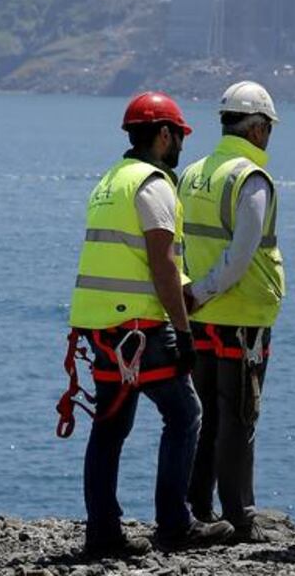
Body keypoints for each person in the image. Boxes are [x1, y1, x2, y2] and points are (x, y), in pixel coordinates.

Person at [68, 91, 235, 557]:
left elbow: (133, 258)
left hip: (101, 325)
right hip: (140, 328)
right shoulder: (153, 185)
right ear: (164, 135)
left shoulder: (111, 181)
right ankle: (175, 525)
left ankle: (102, 531)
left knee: (110, 425)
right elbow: (161, 264)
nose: (181, 144)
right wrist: (183, 333)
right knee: (185, 415)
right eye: (179, 135)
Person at [179, 81, 285, 543]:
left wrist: (191, 295)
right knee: (240, 416)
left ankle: (197, 505)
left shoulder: (192, 173)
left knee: (205, 417)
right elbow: (242, 256)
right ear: (258, 129)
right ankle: (240, 515)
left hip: (199, 318)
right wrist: (204, 291)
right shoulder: (250, 179)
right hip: (240, 317)